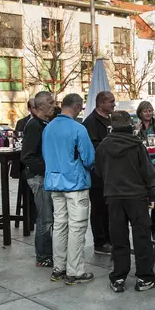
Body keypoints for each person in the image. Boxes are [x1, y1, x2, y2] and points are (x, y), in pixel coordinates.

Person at [96, 111, 155, 292]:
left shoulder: (103, 146)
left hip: (114, 196)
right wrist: (152, 193)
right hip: (137, 196)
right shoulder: (136, 145)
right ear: (129, 124)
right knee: (142, 237)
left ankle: (118, 277)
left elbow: (98, 171)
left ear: (112, 125)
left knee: (118, 237)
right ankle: (144, 277)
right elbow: (147, 172)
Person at [44, 93, 96, 285]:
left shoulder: (48, 128)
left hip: (54, 182)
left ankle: (59, 267)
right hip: (75, 182)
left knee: (59, 225)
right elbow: (89, 158)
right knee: (77, 226)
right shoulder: (78, 128)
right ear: (77, 106)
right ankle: (75, 271)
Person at [21, 91, 55, 268]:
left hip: (44, 176)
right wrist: (47, 167)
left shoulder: (44, 123)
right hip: (38, 177)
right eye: (51, 102)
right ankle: (43, 256)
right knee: (45, 218)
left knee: (48, 217)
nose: (54, 105)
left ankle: (47, 253)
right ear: (41, 106)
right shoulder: (34, 125)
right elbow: (27, 156)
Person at [82, 91, 115, 255]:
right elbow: (93, 147)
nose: (114, 104)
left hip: (111, 171)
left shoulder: (110, 120)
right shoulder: (91, 122)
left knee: (109, 207)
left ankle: (110, 238)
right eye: (111, 101)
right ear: (101, 103)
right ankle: (100, 242)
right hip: (97, 172)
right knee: (98, 207)